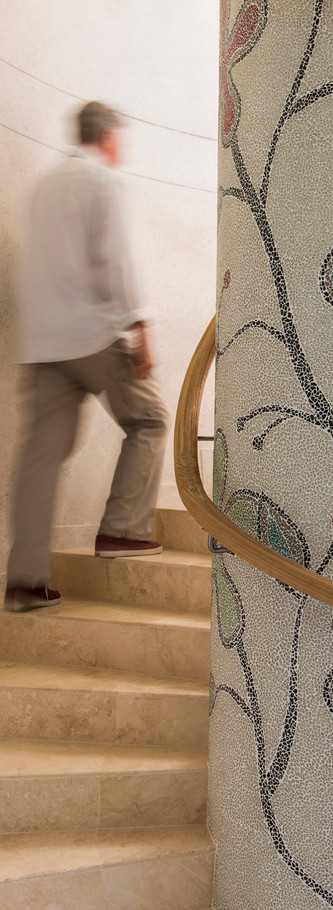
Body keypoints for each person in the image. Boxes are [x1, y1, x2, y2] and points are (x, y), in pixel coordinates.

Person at [4, 101, 169, 613]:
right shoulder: (105, 180)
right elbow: (117, 260)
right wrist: (140, 328)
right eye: (122, 139)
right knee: (150, 420)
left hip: (41, 343)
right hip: (93, 335)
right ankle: (122, 529)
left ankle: (24, 581)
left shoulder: (45, 185)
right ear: (108, 137)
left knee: (40, 458)